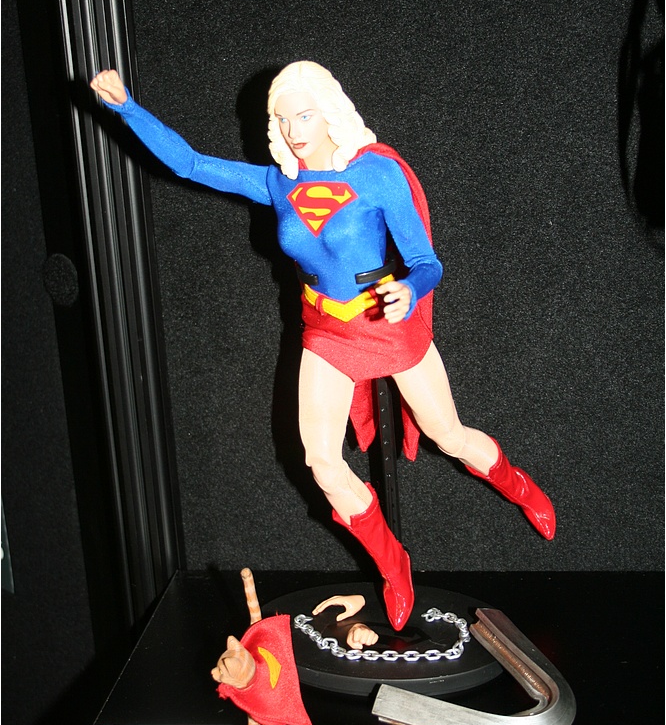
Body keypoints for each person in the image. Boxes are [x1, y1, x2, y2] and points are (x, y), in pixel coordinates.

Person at [90, 61, 556, 632]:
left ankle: (519, 487)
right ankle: (393, 565)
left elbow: (427, 262)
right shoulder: (277, 183)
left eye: (304, 115)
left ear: (331, 112)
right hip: (327, 330)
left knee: (448, 435)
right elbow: (189, 163)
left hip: (386, 321)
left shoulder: (377, 175)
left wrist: (410, 290)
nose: (293, 130)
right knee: (322, 462)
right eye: (282, 120)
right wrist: (127, 108)